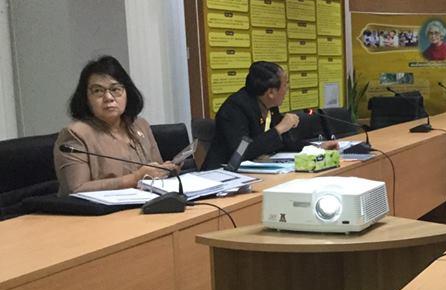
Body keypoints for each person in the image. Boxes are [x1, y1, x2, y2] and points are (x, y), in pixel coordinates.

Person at [54, 55, 177, 196]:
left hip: (145, 204)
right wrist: (135, 178)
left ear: (127, 92)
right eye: (98, 91)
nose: (108, 98)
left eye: (115, 89)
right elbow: (76, 189)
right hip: (100, 210)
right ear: (86, 98)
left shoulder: (139, 125)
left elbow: (156, 172)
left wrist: (166, 170)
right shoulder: (75, 134)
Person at [203, 61, 304, 169]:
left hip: (257, 169)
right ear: (271, 92)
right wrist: (279, 128)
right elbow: (241, 151)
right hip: (223, 172)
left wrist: (312, 148)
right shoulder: (235, 108)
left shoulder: (270, 106)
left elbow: (283, 143)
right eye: (285, 85)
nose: (287, 89)